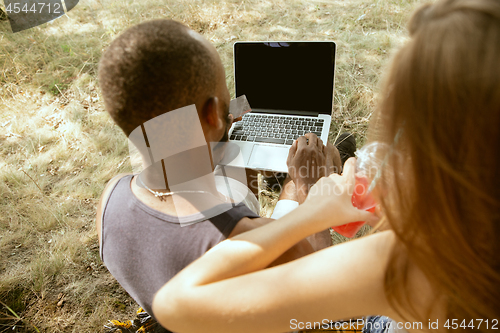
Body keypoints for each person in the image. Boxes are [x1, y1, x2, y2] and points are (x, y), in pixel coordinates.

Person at [151, 0, 500, 332]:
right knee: (334, 149)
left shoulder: (400, 266)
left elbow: (175, 304)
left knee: (322, 157)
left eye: (402, 146)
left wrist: (312, 204)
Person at [96, 19, 349, 331]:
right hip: (266, 300)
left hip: (195, 314)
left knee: (255, 172)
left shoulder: (111, 198)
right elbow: (324, 303)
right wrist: (312, 189)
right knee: (308, 174)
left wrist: (220, 132)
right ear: (213, 112)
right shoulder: (248, 241)